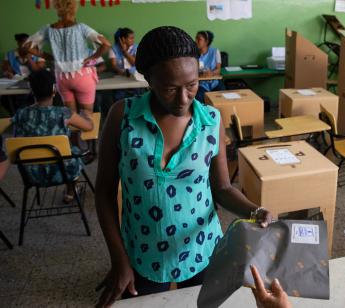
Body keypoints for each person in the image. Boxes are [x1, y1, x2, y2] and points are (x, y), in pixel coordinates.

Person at [94, 26, 273, 307]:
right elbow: (103, 192)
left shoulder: (210, 120)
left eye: (192, 85)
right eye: (169, 88)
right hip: (143, 251)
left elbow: (222, 188)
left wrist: (256, 210)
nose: (183, 98)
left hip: (201, 246)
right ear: (148, 80)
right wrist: (119, 260)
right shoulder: (123, 117)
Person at [11, 69, 93, 203]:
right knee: (72, 152)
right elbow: (89, 127)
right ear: (54, 90)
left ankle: (70, 191)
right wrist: (86, 116)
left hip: (31, 174)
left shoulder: (21, 114)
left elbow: (16, 141)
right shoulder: (63, 113)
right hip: (63, 172)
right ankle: (70, 192)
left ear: (32, 91)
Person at [24, 0, 111, 119]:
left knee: (70, 116)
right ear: (74, 8)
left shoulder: (48, 29)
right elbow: (106, 44)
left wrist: (49, 57)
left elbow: (27, 46)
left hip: (62, 78)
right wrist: (92, 57)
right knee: (87, 115)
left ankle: (72, 138)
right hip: (82, 75)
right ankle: (90, 138)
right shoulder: (81, 28)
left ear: (57, 8)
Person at [109, 27, 142, 103]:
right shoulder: (113, 49)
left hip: (134, 78)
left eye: (133, 38)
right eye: (131, 38)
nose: (133, 40)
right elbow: (114, 66)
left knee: (137, 98)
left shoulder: (136, 47)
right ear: (123, 39)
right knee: (120, 99)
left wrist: (125, 52)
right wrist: (122, 72)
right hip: (119, 78)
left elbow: (135, 63)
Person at [195, 30, 223, 103]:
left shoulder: (215, 52)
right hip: (201, 84)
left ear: (206, 42)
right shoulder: (193, 53)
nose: (196, 41)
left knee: (222, 95)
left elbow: (218, 69)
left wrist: (212, 73)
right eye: (196, 38)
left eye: (199, 39)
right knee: (199, 97)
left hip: (214, 82)